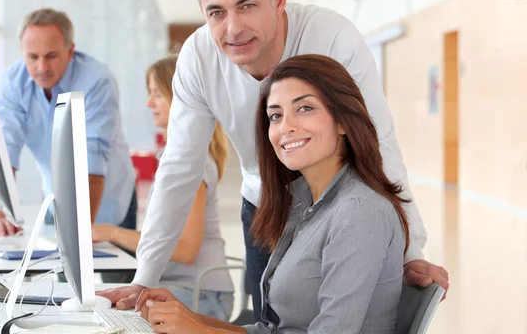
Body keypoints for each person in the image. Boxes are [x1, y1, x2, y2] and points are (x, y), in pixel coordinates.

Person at [100, 0, 449, 317]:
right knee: (271, 319)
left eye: (247, 5)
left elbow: (379, 141)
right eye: (216, 12)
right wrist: (145, 277)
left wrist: (410, 252)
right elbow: (178, 168)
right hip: (266, 203)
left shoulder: (331, 36)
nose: (233, 28)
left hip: (339, 204)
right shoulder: (198, 57)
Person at [132, 54, 410, 333]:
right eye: (275, 115)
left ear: (342, 121)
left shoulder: (359, 211)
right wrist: (189, 319)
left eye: (304, 108)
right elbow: (271, 330)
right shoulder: (305, 203)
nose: (285, 127)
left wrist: (199, 331)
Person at [95, 56, 234, 320]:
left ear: (183, 99)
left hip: (203, 295)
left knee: (112, 315)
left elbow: (186, 250)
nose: (149, 103)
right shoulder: (174, 157)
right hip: (179, 288)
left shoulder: (194, 164)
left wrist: (111, 232)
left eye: (157, 94)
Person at [0, 8, 137, 234]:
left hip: (110, 200)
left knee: (118, 268)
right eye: (32, 57)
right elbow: (4, 153)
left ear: (70, 51)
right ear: (22, 52)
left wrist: (81, 235)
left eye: (51, 56)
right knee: (56, 268)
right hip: (55, 199)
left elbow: (92, 160)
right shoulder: (13, 84)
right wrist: (1, 217)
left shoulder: (97, 82)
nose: (42, 68)